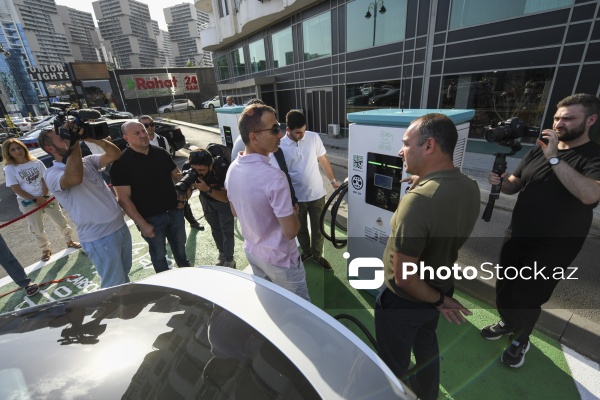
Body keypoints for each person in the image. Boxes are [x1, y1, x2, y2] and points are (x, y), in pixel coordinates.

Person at [481, 93, 600, 368]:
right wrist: (500, 182)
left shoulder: (592, 156)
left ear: (591, 119)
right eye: (557, 117)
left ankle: (521, 339)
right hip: (518, 233)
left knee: (528, 295)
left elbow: (589, 195)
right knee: (506, 287)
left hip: (555, 246)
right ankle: (508, 322)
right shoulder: (540, 148)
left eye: (568, 118)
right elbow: (515, 183)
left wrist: (556, 157)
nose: (559, 123)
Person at [374, 113, 480, 400]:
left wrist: (441, 302)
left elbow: (405, 278)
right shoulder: (470, 187)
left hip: (405, 302)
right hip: (437, 287)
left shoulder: (419, 201)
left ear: (429, 145)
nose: (401, 151)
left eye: (407, 143)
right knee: (426, 349)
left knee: (392, 365)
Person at [225, 104, 310, 301]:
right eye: (274, 130)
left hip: (254, 253)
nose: (280, 134)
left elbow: (235, 211)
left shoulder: (232, 169)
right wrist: (293, 212)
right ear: (254, 137)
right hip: (282, 259)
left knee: (272, 305)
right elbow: (291, 231)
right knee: (301, 314)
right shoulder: (274, 177)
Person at [38, 125, 132, 289]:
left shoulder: (86, 161)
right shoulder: (51, 174)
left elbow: (114, 154)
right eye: (62, 138)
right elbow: (74, 178)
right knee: (114, 285)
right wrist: (73, 142)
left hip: (119, 228)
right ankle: (118, 313)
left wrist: (91, 137)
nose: (67, 138)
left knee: (124, 274)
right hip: (99, 238)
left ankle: (127, 309)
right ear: (49, 148)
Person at [110, 121, 191, 273]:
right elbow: (123, 199)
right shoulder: (121, 164)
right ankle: (165, 284)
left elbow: (177, 177)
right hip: (150, 220)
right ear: (126, 138)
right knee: (159, 256)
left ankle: (186, 274)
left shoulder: (161, 152)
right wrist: (142, 224)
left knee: (180, 249)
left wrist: (181, 201)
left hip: (175, 212)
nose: (143, 135)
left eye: (144, 131)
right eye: (137, 133)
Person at [2, 138, 80, 262]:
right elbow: (16, 188)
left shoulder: (36, 162)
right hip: (27, 202)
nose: (18, 151)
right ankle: (45, 249)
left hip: (46, 198)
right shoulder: (10, 169)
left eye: (19, 148)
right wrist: (34, 199)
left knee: (60, 220)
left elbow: (45, 179)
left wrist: (43, 196)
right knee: (36, 227)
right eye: (13, 150)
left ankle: (69, 240)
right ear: (8, 153)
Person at [279, 110, 339, 270]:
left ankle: (318, 255)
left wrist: (333, 181)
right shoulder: (280, 146)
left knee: (318, 228)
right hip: (296, 198)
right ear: (288, 130)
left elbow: (323, 159)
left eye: (304, 131)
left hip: (317, 194)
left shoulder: (313, 137)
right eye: (298, 133)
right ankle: (306, 252)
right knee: (301, 229)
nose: (302, 135)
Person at [184, 149, 236, 268]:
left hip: (221, 200)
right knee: (215, 227)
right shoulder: (188, 168)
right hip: (206, 199)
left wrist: (207, 189)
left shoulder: (222, 168)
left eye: (201, 170)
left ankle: (229, 259)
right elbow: (187, 196)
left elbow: (225, 198)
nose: (198, 173)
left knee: (226, 229)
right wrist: (186, 184)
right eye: (195, 170)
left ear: (211, 165)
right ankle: (222, 252)